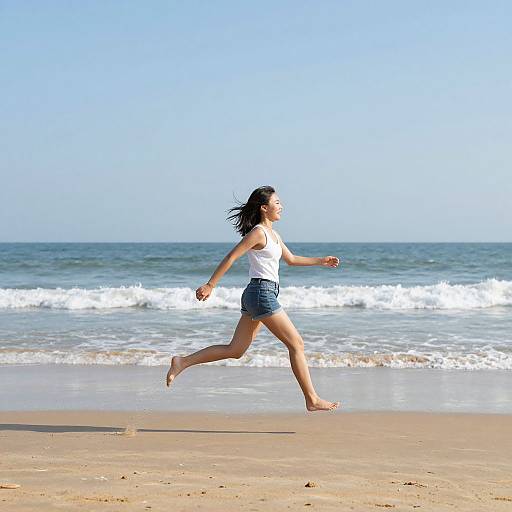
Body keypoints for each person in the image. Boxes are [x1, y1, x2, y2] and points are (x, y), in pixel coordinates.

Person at [166, 185, 341, 412]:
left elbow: (291, 259)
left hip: (259, 293)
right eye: (277, 203)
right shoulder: (258, 232)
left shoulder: (274, 235)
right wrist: (211, 284)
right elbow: (231, 256)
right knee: (296, 343)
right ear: (264, 208)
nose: (281, 206)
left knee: (236, 350)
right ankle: (312, 399)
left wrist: (321, 261)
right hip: (261, 293)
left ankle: (183, 362)